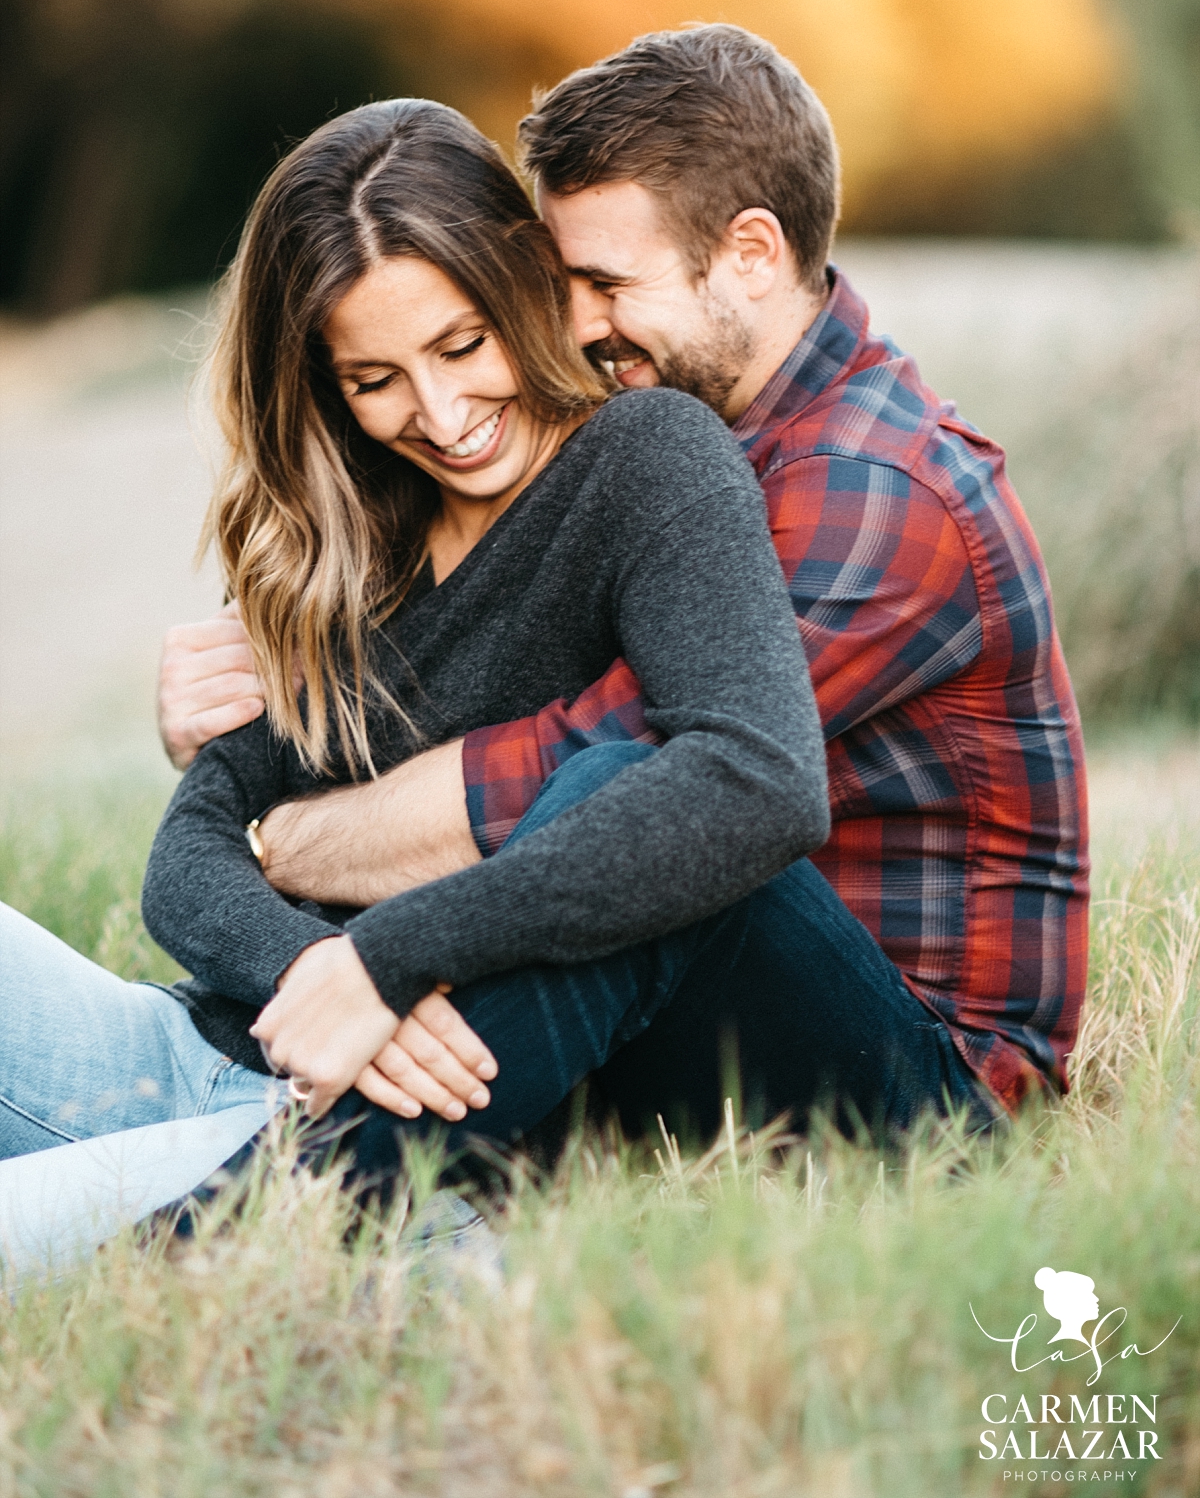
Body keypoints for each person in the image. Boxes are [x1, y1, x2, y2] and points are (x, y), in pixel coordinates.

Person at [161, 24, 1089, 1133]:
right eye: (560, 284)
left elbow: (588, 782)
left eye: (604, 283)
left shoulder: (871, 492)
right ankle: (253, 1141)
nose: (579, 324)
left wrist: (277, 843)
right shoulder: (689, 449)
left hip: (920, 1078)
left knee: (634, 821)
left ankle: (267, 1206)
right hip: (701, 1016)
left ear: (750, 253)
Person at [2, 93, 854, 1266]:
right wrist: (319, 974)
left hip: (355, 1147)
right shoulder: (354, 536)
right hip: (214, 1056)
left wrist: (386, 968)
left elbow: (751, 777)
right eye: (376, 378)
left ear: (525, 288)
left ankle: (216, 1246)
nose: (442, 415)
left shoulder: (646, 464)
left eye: (462, 346)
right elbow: (189, 854)